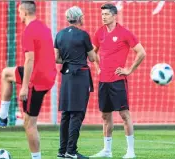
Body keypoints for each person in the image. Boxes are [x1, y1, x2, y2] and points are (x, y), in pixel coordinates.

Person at [0, 1, 57, 159]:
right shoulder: (43, 27)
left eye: (19, 12)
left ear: (24, 12)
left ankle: (36, 157)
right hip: (47, 74)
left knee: (29, 124)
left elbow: (29, 60)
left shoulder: (28, 31)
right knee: (6, 74)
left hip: (37, 80)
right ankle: (2, 115)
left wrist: (24, 87)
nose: (18, 16)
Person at [90, 3, 145, 159]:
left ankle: (131, 151)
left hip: (118, 81)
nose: (103, 17)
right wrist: (97, 67)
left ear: (115, 16)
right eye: (102, 14)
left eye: (106, 14)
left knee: (124, 114)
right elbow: (93, 53)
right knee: (105, 116)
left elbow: (141, 53)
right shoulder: (99, 33)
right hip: (103, 81)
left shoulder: (124, 33)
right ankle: (107, 150)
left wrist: (129, 70)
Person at [55, 6, 96, 159]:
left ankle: (62, 151)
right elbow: (92, 58)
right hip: (80, 76)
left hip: (66, 75)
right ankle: (71, 151)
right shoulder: (83, 35)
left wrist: (68, 60)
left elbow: (56, 58)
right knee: (77, 114)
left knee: (66, 113)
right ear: (79, 18)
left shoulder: (59, 35)